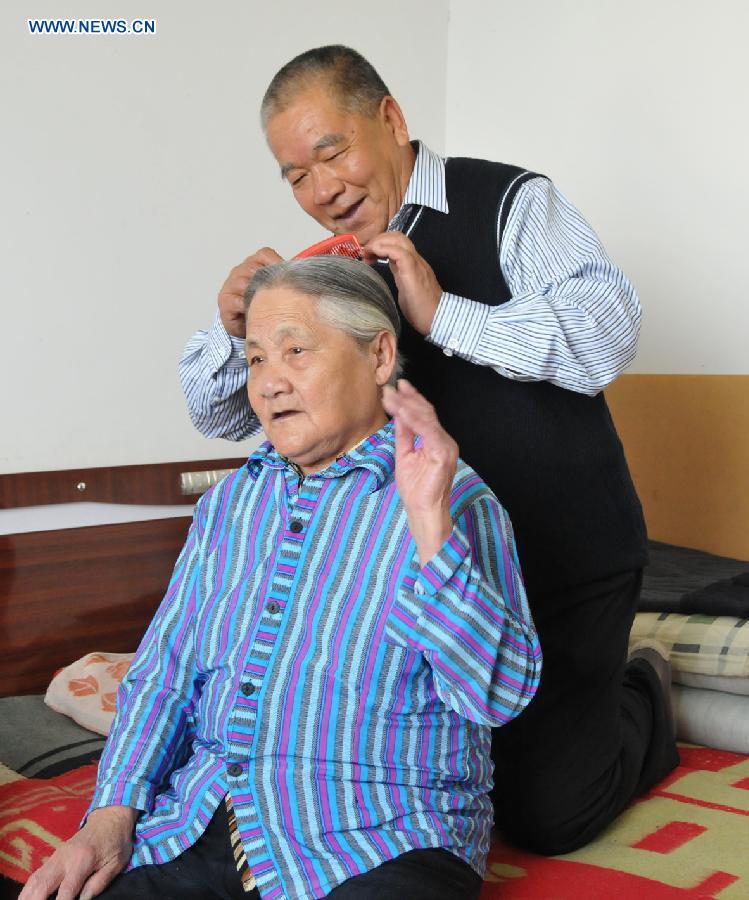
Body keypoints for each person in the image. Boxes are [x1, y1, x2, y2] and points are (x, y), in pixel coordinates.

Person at [179, 45, 679, 855]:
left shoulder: (511, 201)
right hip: (435, 582)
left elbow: (605, 337)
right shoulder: (325, 266)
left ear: (391, 118)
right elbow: (221, 415)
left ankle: (643, 691)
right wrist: (233, 327)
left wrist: (443, 314)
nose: (321, 190)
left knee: (548, 813)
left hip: (565, 562)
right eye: (295, 176)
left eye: (331, 152)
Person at [20, 257, 541, 900]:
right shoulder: (230, 505)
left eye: (296, 351)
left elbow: (498, 697)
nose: (269, 383)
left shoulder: (454, 498)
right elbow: (167, 671)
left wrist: (430, 526)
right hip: (210, 814)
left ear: (379, 356)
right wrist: (110, 816)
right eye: (257, 359)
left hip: (384, 833)